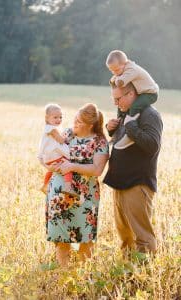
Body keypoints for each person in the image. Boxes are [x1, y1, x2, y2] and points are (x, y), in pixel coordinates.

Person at [45, 103, 109, 266]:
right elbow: (50, 151)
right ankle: (64, 273)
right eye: (75, 119)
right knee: (61, 236)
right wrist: (48, 165)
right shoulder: (67, 134)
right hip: (60, 191)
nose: (75, 124)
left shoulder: (100, 141)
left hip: (84, 195)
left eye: (79, 122)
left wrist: (73, 166)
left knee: (85, 235)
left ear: (91, 125)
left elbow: (97, 170)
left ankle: (82, 274)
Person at [103, 82, 163, 254]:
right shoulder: (128, 113)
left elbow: (152, 145)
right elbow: (125, 142)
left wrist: (130, 126)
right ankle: (127, 276)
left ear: (131, 94)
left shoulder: (150, 114)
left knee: (142, 237)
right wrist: (111, 130)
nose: (115, 103)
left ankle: (144, 279)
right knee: (126, 238)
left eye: (118, 98)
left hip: (137, 184)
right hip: (120, 183)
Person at [106, 50, 159, 149]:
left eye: (116, 70)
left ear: (125, 64)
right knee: (121, 110)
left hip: (150, 93)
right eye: (111, 71)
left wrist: (131, 129)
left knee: (135, 108)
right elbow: (115, 80)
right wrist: (111, 129)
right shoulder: (122, 70)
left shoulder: (132, 69)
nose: (114, 73)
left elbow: (121, 82)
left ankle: (128, 136)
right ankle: (117, 136)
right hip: (141, 92)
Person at [38, 103, 75, 196]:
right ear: (47, 118)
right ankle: (68, 187)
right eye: (55, 117)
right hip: (53, 156)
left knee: (51, 170)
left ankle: (44, 185)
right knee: (67, 166)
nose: (59, 120)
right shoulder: (52, 129)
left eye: (60, 117)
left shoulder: (47, 128)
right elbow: (61, 140)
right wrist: (68, 138)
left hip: (48, 158)